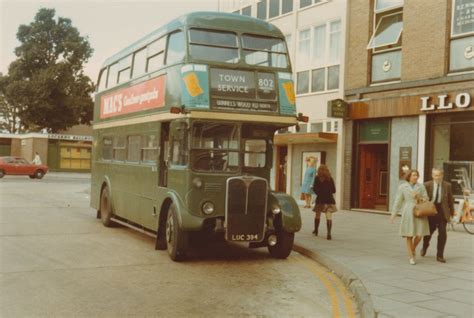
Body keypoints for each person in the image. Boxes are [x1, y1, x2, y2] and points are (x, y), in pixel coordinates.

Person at [390, 169, 430, 265]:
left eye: (416, 175)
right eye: (413, 175)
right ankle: (411, 257)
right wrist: (393, 214)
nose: (416, 177)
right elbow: (398, 200)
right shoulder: (402, 187)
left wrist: (418, 197)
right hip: (408, 210)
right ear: (409, 177)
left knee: (419, 235)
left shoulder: (421, 187)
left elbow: (426, 199)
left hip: (419, 210)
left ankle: (412, 249)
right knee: (409, 235)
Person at [421, 168, 454, 263]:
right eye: (435, 175)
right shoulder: (427, 185)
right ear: (432, 175)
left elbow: (450, 201)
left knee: (443, 234)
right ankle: (424, 246)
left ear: (442, 175)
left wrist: (452, 214)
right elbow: (422, 198)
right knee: (428, 233)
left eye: (439, 175)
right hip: (431, 211)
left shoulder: (447, 185)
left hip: (442, 212)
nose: (437, 177)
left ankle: (440, 255)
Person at [312, 164, 337, 240]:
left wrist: (319, 193)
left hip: (320, 200)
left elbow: (315, 189)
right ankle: (329, 233)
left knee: (317, 215)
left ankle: (316, 230)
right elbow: (334, 190)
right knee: (328, 216)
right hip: (329, 200)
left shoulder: (317, 178)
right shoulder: (330, 178)